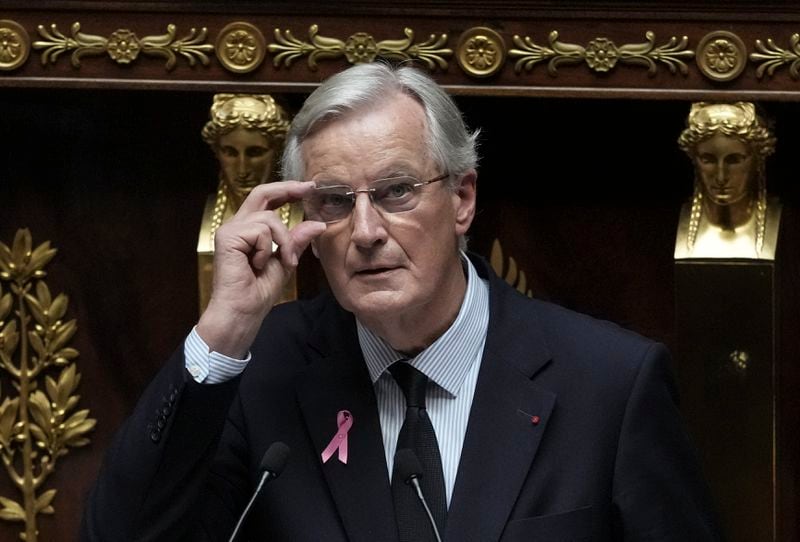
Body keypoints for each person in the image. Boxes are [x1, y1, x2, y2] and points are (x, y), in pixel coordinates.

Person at [82, 63, 720, 541]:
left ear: (462, 199)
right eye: (334, 201)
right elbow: (120, 533)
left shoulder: (610, 383)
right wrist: (222, 333)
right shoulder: (266, 369)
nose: (365, 232)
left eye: (396, 191)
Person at [197, 93, 302, 310]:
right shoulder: (212, 214)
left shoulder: (299, 213)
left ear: (278, 151)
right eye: (230, 152)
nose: (242, 169)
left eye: (255, 152)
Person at [675, 101, 781, 260]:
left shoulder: (785, 225)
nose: (720, 177)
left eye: (734, 160)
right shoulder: (668, 226)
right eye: (708, 160)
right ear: (694, 159)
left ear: (758, 160)